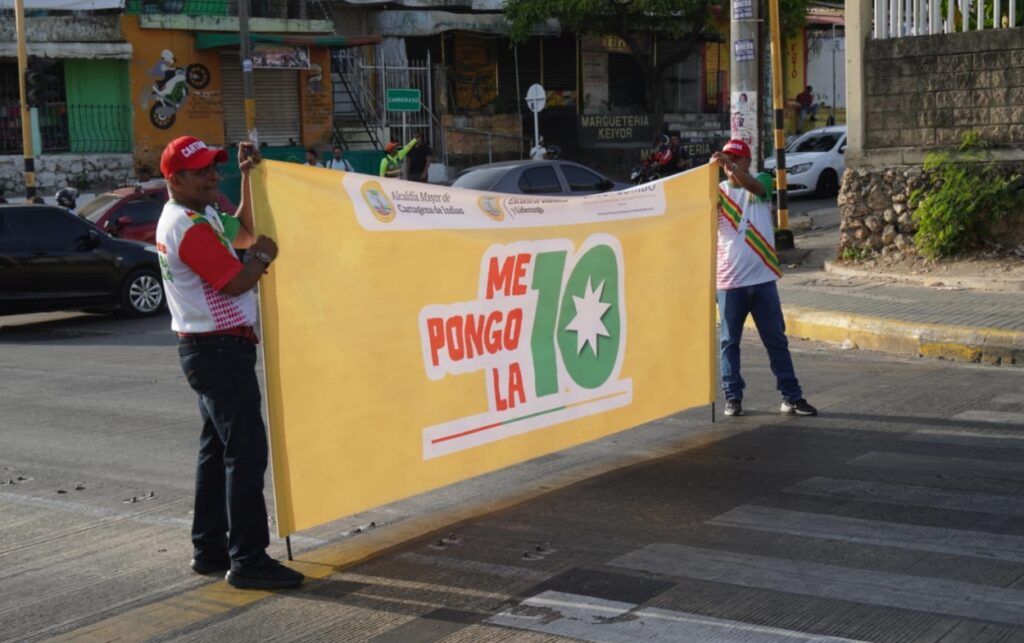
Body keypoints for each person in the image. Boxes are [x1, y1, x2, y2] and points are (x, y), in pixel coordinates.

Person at [155, 135, 305, 590]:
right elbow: (236, 280)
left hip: (210, 350)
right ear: (175, 179)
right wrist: (263, 256)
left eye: (213, 167)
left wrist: (247, 178)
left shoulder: (199, 215)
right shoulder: (188, 225)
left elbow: (242, 230)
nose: (210, 176)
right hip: (218, 350)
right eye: (200, 171)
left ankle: (210, 550)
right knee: (246, 453)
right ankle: (248, 560)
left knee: (217, 452)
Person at [710, 139, 817, 418]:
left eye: (735, 159)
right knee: (729, 343)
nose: (728, 165)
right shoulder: (716, 193)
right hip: (729, 283)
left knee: (776, 341)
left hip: (762, 281)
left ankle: (791, 397)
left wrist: (732, 169)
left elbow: (756, 188)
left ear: (746, 161)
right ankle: (732, 397)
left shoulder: (762, 181)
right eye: (726, 159)